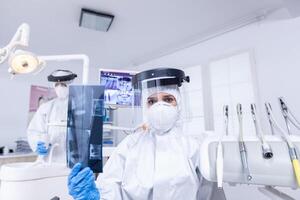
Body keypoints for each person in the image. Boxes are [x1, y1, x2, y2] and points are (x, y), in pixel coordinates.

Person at [68, 68, 226, 200]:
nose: (160, 106)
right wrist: (94, 196)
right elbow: (111, 186)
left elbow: (211, 194)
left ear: (179, 105)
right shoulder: (130, 145)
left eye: (168, 99)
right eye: (152, 101)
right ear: (145, 107)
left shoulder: (195, 146)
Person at [27, 69, 77, 164]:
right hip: (48, 160)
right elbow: (34, 130)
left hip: (72, 161)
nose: (60, 87)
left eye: (63, 85)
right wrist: (38, 143)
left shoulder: (79, 107)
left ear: (70, 85)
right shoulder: (46, 107)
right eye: (56, 85)